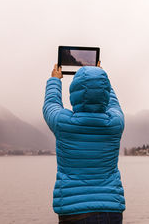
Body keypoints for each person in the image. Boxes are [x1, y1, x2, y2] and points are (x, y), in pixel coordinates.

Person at [43, 62, 125, 224]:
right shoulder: (116, 123)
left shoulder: (63, 123)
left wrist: (55, 80)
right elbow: (112, 102)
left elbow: (50, 104)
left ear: (74, 92)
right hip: (111, 209)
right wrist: (102, 80)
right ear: (106, 92)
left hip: (74, 211)